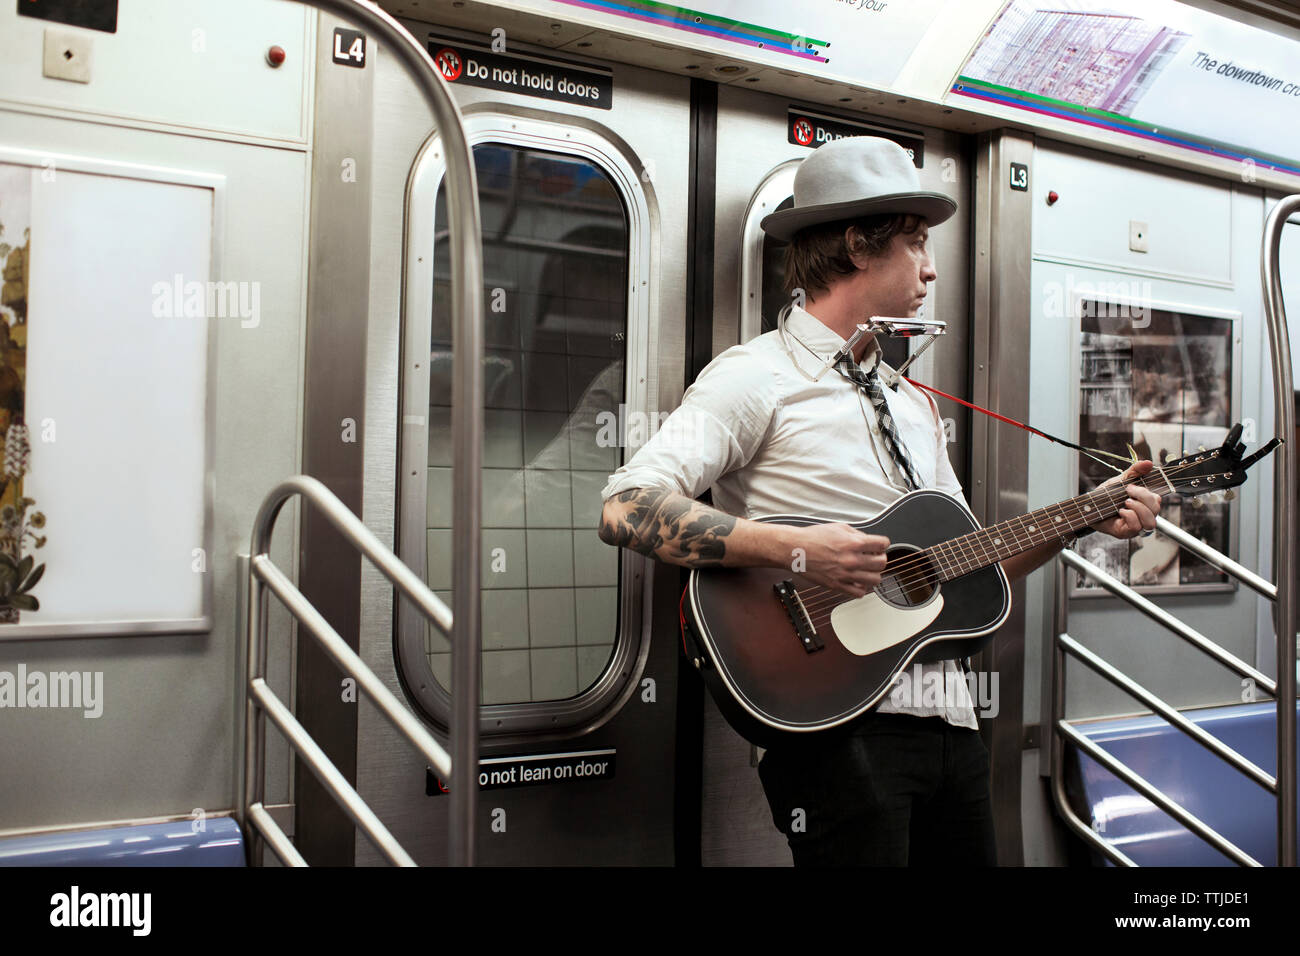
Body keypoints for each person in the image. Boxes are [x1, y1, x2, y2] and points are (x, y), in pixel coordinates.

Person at [596, 136, 1162, 866]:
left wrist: (1083, 519)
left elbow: (962, 567)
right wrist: (800, 551)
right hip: (835, 724)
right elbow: (627, 505)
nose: (931, 268)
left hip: (951, 723)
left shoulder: (913, 402)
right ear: (860, 246)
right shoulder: (753, 377)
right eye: (917, 243)